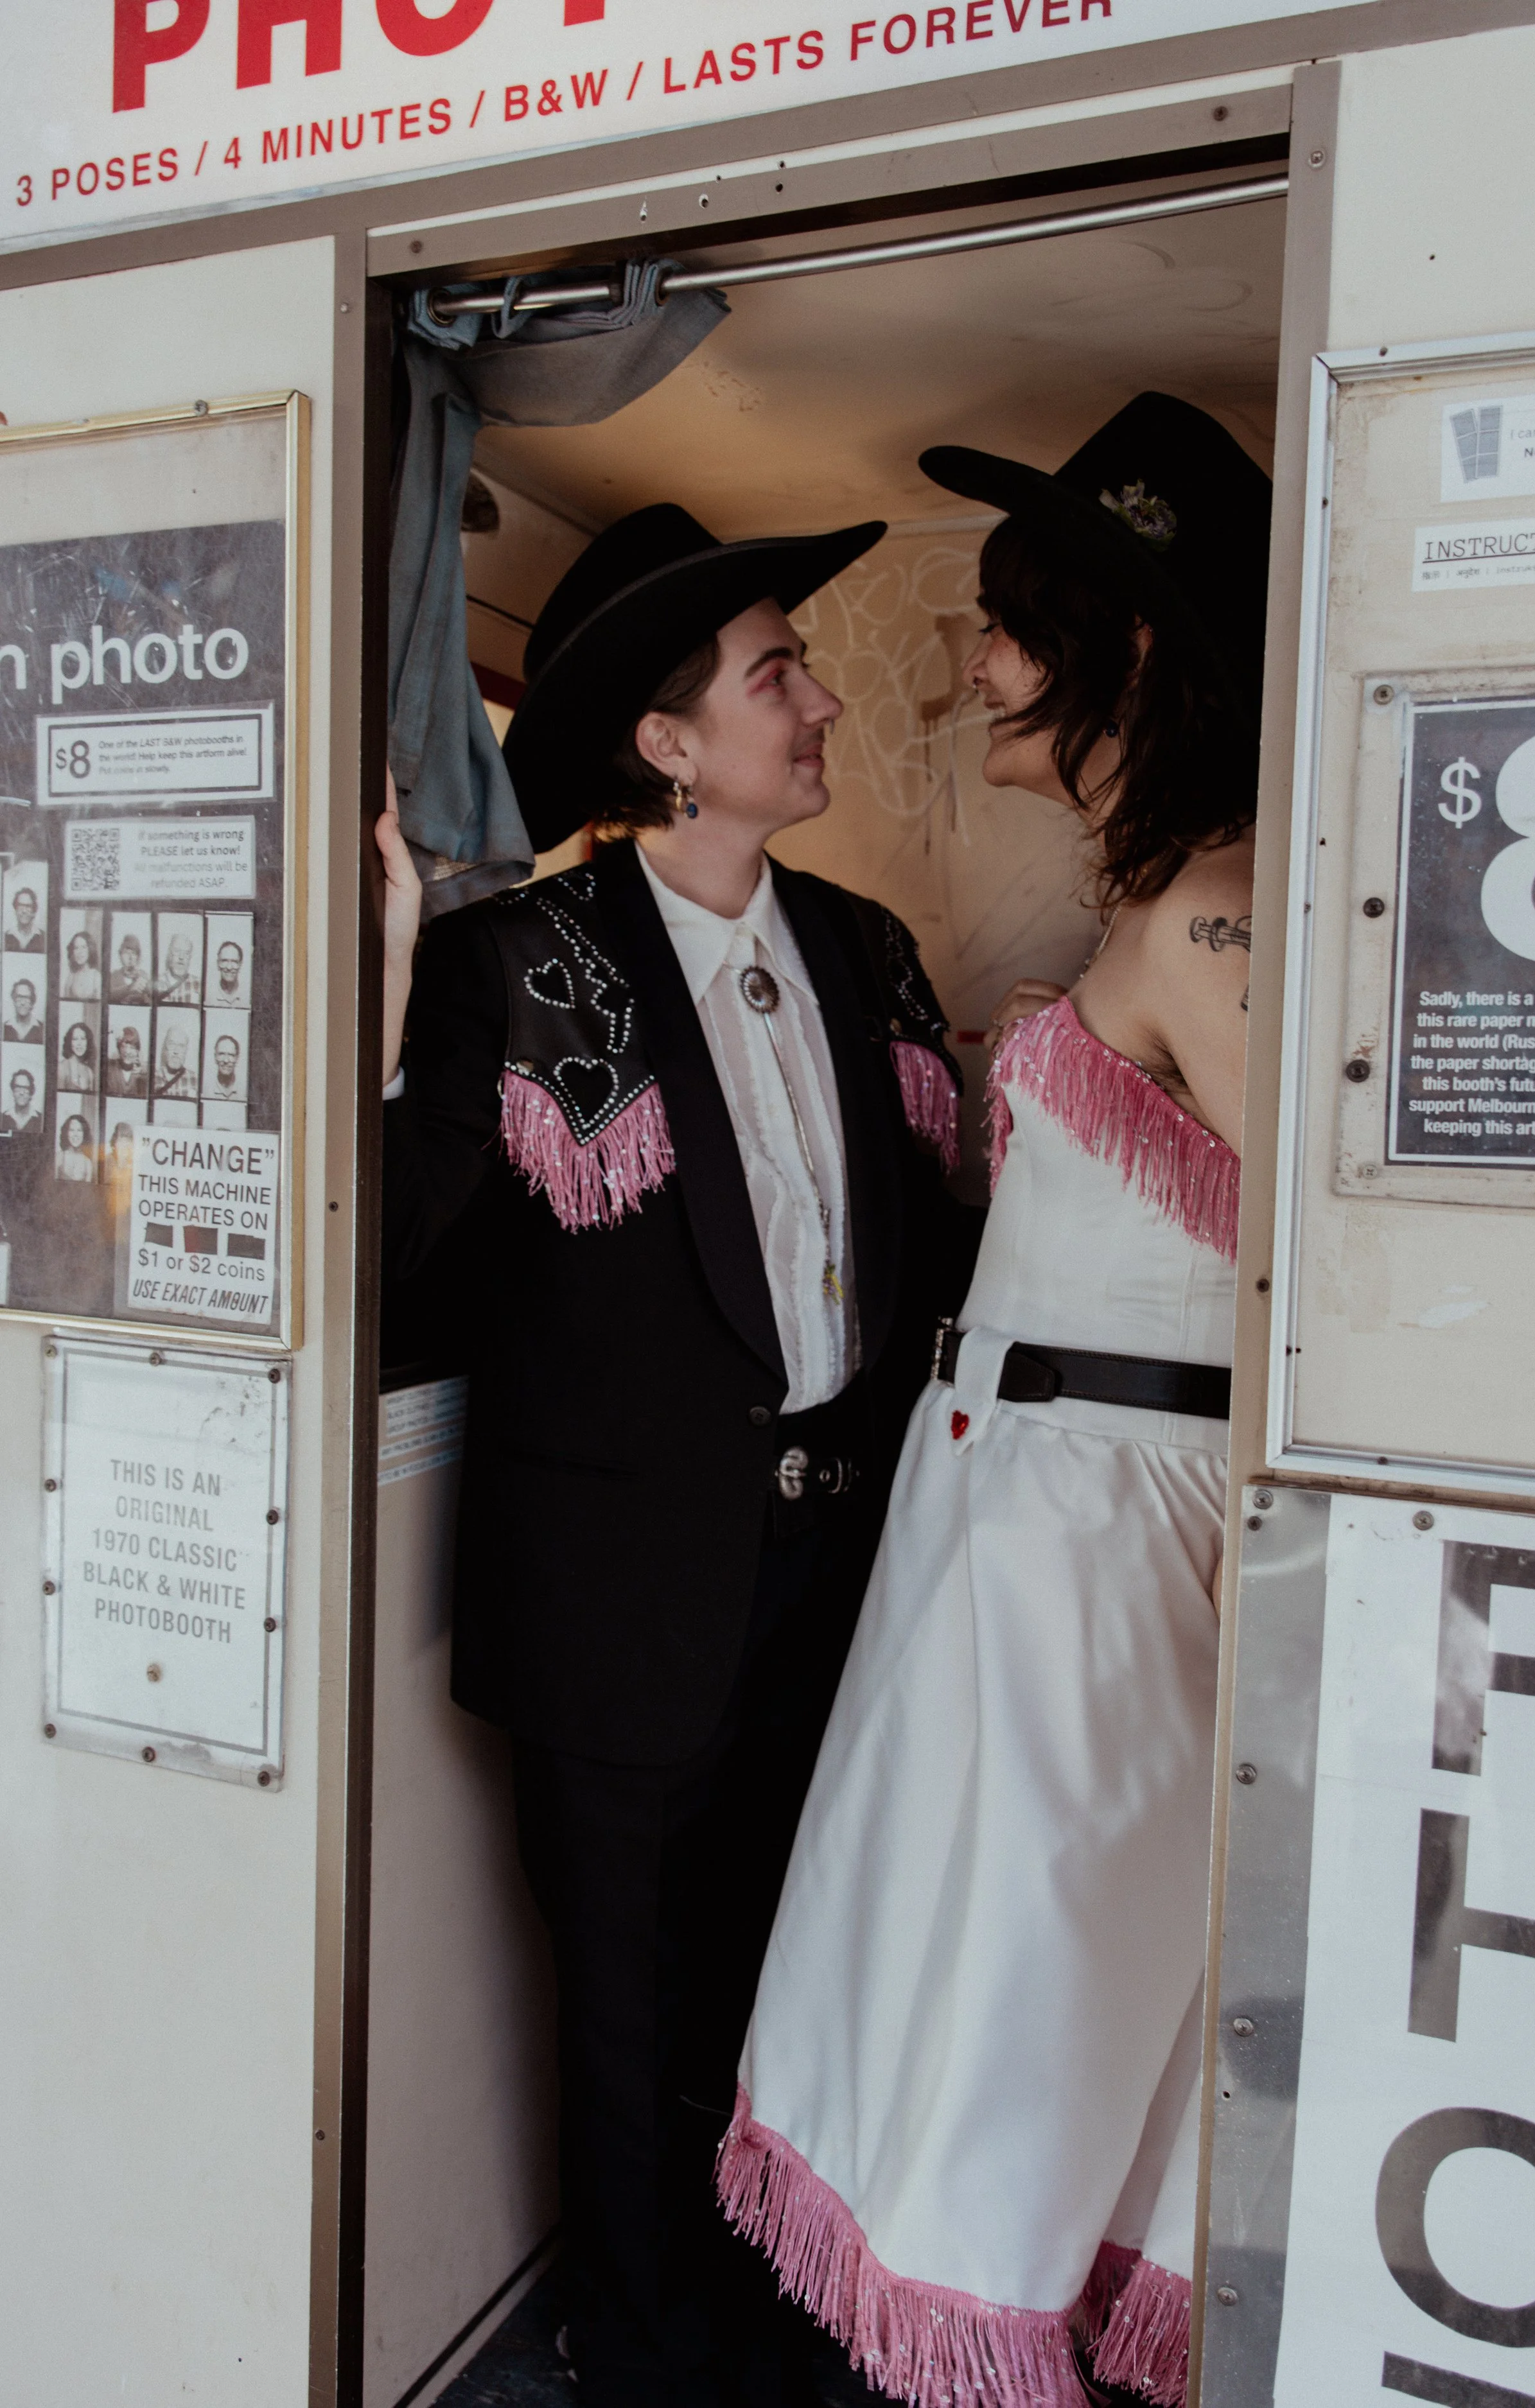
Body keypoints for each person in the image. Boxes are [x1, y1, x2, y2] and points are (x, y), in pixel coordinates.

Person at [380, 502, 976, 2408]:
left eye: (797, 663)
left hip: (836, 1563)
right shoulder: (519, 963)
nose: (813, 704)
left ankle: (771, 2297)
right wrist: (388, 1004)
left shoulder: (870, 951)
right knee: (627, 2006)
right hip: (615, 1593)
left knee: (800, 1960)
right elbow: (396, 1258)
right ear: (667, 742)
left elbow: (936, 1248)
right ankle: (634, 2346)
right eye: (773, 672)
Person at [719, 396, 1270, 2408]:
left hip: (1092, 1527)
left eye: (1008, 630)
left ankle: (984, 2318)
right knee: (969, 1934)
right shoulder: (1167, 896)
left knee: (1022, 1952)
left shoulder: (1213, 904)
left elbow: (1333, 1245)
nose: (972, 670)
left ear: (1119, 647)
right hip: (1018, 1498)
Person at [154, 1025, 197, 1101]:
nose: (176, 1051)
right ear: (165, 1048)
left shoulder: (195, 1080)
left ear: (186, 1051)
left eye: (181, 1046)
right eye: (171, 1044)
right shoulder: (152, 1078)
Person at [105, 1025, 148, 1099]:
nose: (127, 1052)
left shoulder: (143, 1073)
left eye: (132, 1048)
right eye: (123, 1047)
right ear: (119, 1048)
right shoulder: (109, 1067)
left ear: (138, 1051)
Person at [157, 932, 200, 1004]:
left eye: (186, 953)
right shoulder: (157, 982)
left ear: (190, 957)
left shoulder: (198, 984)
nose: (181, 957)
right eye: (177, 951)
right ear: (170, 954)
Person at [109, 932, 151, 1004]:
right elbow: (109, 997)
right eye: (127, 953)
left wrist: (147, 991)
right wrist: (129, 989)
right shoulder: (114, 976)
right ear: (121, 955)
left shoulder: (143, 976)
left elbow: (150, 1002)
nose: (130, 957)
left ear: (138, 956)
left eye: (134, 953)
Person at [62, 927, 101, 1000]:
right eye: (76, 948)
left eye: (84, 947)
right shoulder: (71, 977)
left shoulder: (96, 977)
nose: (80, 952)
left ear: (90, 949)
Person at [60, 1018, 98, 1092]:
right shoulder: (62, 1068)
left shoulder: (89, 1072)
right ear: (70, 1042)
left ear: (88, 1042)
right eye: (75, 1039)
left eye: (83, 1039)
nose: (79, 1043)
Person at [57, 1111, 95, 1182]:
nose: (75, 1135)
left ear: (84, 1134)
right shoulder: (59, 1157)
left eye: (79, 1130)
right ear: (66, 1133)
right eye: (71, 1130)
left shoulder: (87, 1163)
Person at [3, 1066, 41, 1134]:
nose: (22, 1093)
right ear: (13, 1091)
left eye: (26, 1088)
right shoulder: (2, 1118)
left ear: (31, 1092)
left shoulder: (41, 1119)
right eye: (18, 1087)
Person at [5, 883, 44, 951]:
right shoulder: (5, 937)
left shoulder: (43, 937)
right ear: (15, 909)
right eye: (21, 906)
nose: (24, 911)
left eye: (28, 906)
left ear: (34, 910)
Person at [4, 976, 41, 1043]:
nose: (23, 1003)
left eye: (26, 998)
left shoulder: (43, 1029)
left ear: (32, 1001)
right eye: (19, 997)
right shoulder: (3, 1028)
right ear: (14, 1000)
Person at [207, 1031, 243, 1098]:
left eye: (231, 1055)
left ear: (237, 1059)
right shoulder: (206, 1092)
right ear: (215, 1057)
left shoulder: (244, 1092)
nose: (226, 1060)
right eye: (222, 1054)